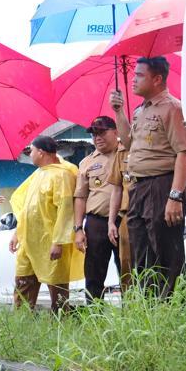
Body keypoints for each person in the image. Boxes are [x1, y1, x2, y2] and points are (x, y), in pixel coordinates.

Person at [110, 56, 186, 296]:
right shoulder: (140, 111)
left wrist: (175, 196)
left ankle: (166, 306)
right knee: (141, 248)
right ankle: (149, 303)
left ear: (157, 79)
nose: (134, 80)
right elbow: (128, 142)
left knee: (164, 248)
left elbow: (184, 152)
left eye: (139, 75)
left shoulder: (173, 108)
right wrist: (119, 112)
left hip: (162, 184)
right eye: (133, 75)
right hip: (138, 186)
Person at [8, 136, 83, 312]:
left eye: (31, 151)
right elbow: (27, 208)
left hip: (50, 241)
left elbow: (65, 211)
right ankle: (22, 325)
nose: (30, 154)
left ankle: (61, 325)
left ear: (41, 152)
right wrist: (17, 233)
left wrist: (58, 242)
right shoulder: (38, 173)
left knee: (56, 288)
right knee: (23, 282)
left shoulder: (62, 175)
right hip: (29, 241)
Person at [72, 116, 131, 302]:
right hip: (97, 222)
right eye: (94, 134)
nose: (97, 137)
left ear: (116, 132)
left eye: (102, 132)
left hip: (125, 220)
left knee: (128, 269)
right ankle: (95, 314)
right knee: (94, 272)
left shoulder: (129, 153)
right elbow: (80, 197)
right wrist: (78, 229)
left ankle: (132, 313)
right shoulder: (86, 163)